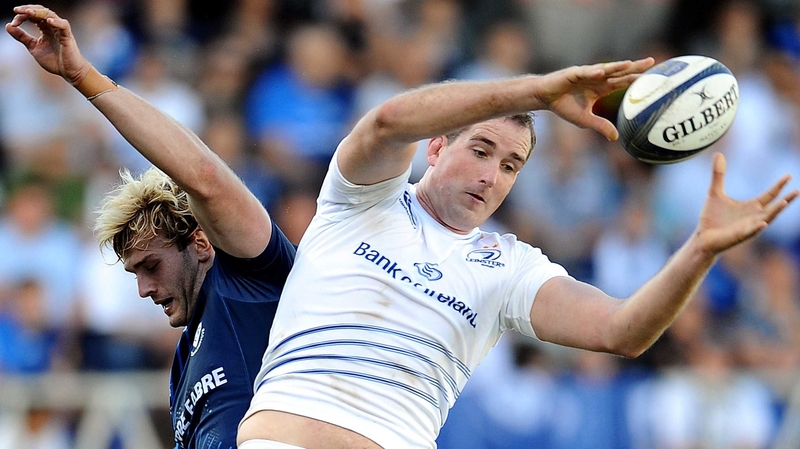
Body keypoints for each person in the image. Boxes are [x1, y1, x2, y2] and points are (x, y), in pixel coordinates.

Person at [235, 40, 799, 449]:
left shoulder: (508, 267)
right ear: (434, 148)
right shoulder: (363, 200)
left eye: (510, 165)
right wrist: (538, 91)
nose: (492, 175)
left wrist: (701, 249)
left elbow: (621, 330)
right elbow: (386, 122)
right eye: (480, 151)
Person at [6, 6, 296, 449]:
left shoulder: (250, 278)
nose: (143, 289)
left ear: (200, 241)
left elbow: (205, 176)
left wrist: (82, 76)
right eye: (135, 273)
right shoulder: (183, 361)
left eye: (151, 265)